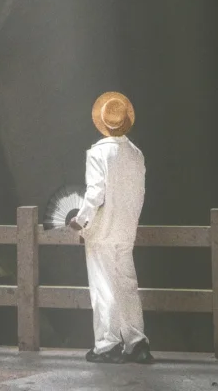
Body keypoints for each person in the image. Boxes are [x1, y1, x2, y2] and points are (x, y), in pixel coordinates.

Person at [69, 91, 154, 364]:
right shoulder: (136, 154)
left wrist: (80, 222)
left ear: (102, 122)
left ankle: (107, 345)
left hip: (102, 231)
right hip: (126, 230)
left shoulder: (98, 154)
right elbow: (139, 194)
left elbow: (95, 194)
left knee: (103, 287)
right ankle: (137, 342)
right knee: (127, 285)